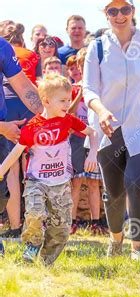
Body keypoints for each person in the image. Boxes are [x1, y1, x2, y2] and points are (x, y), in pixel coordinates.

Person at [83, 0, 140, 260]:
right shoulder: (97, 47)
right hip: (108, 128)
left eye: (125, 10)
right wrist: (100, 111)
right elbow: (88, 89)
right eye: (113, 11)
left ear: (133, 11)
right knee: (114, 193)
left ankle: (139, 247)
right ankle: (115, 239)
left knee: (137, 184)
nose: (119, 15)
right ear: (105, 14)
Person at [0, 73, 98, 264]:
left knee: (61, 230)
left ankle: (46, 261)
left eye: (69, 100)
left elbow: (91, 132)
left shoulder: (68, 120)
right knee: (35, 213)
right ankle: (32, 244)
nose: (67, 104)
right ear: (45, 101)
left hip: (60, 184)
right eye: (62, 100)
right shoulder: (32, 127)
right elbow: (17, 152)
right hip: (36, 181)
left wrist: (93, 152)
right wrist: (2, 169)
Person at [2, 24, 39, 239]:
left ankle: (14, 228)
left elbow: (20, 87)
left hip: (5, 117)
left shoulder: (3, 49)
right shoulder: (28, 53)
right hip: (15, 118)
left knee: (6, 180)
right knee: (25, 172)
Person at [68, 48, 104, 235]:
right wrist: (79, 94)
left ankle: (96, 222)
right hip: (76, 138)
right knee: (76, 181)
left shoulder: (99, 88)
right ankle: (72, 221)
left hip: (94, 136)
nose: (83, 68)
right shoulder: (73, 88)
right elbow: (69, 113)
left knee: (93, 182)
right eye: (80, 65)